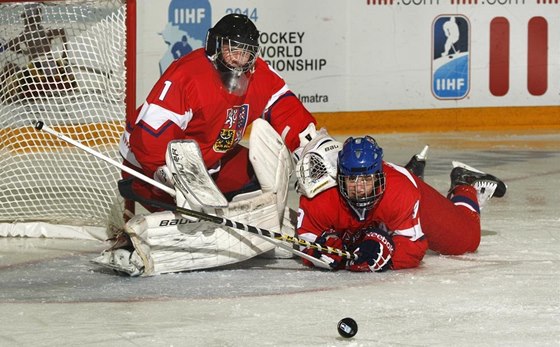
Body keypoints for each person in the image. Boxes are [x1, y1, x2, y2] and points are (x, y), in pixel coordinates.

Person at [119, 13, 331, 212]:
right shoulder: (188, 75)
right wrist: (167, 172)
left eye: (246, 51)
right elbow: (149, 135)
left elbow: (288, 112)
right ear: (215, 46)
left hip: (210, 161)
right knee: (192, 224)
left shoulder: (259, 75)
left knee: (265, 176)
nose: (239, 59)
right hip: (147, 167)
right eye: (233, 50)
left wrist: (309, 146)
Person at [297, 136, 507, 272]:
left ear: (380, 174)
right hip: (389, 211)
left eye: (367, 180)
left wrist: (388, 254)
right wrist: (319, 250)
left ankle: (465, 183)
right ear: (340, 176)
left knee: (465, 241)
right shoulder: (322, 195)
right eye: (352, 180)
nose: (359, 187)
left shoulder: (398, 191)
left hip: (408, 197)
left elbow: (414, 246)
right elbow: (305, 236)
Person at [0, 4, 74, 102]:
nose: (24, 21)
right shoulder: (45, 31)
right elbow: (62, 31)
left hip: (37, 67)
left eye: (25, 18)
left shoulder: (25, 33)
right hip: (51, 66)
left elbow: (10, 45)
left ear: (29, 18)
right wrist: (65, 53)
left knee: (9, 66)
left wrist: (18, 49)